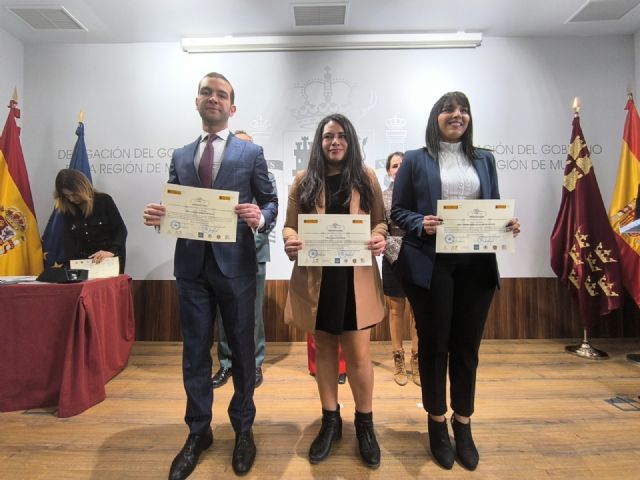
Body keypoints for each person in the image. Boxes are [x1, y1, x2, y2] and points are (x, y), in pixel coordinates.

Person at [143, 72, 278, 479]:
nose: (213, 98)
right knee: (194, 354)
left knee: (240, 351)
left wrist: (261, 217)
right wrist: (159, 217)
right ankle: (198, 432)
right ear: (197, 101)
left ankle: (243, 429)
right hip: (191, 270)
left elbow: (270, 202)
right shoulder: (182, 155)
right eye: (207, 92)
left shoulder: (250, 154)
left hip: (236, 267)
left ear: (232, 107)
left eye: (221, 95)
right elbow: (174, 203)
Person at [391, 91, 520, 471]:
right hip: (432, 267)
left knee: (467, 348)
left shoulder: (485, 159)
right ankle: (436, 423)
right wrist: (421, 222)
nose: (457, 115)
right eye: (448, 109)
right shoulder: (415, 160)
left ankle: (463, 423)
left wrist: (507, 224)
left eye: (463, 109)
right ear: (436, 117)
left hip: (477, 267)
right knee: (434, 347)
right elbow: (397, 211)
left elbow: (493, 203)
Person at [283, 113, 386, 469]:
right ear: (319, 141)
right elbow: (289, 228)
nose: (335, 142)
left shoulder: (366, 177)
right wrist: (292, 242)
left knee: (358, 355)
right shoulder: (303, 180)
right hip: (318, 279)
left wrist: (379, 237)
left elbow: (381, 223)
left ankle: (365, 424)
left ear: (350, 140)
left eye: (341, 136)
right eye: (328, 136)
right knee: (324, 350)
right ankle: (330, 420)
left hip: (355, 279)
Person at [211, 129, 277, 390]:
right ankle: (226, 363)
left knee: (253, 313)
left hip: (253, 253)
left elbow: (270, 214)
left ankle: (255, 362)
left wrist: (255, 222)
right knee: (223, 313)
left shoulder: (264, 176)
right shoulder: (218, 178)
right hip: (220, 254)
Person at [381, 152, 419, 386]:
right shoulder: (382, 196)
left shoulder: (422, 194)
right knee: (396, 311)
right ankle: (398, 359)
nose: (399, 169)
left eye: (403, 165)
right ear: (388, 171)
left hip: (419, 257)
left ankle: (417, 359)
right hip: (392, 257)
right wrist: (395, 250)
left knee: (418, 311)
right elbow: (380, 227)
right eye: (395, 166)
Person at [54, 168, 127, 273]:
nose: (71, 199)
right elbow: (68, 242)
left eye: (74, 194)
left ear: (83, 187)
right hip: (83, 265)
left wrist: (112, 251)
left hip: (109, 261)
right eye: (66, 195)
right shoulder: (67, 209)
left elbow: (121, 230)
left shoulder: (104, 200)